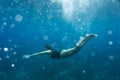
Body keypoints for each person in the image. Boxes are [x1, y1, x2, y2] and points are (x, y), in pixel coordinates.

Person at [23, 34, 97, 59]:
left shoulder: (49, 51)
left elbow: (39, 53)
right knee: (78, 49)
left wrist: (30, 56)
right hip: (62, 53)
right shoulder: (51, 50)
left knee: (76, 49)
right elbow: (39, 53)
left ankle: (87, 37)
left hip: (62, 54)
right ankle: (89, 38)